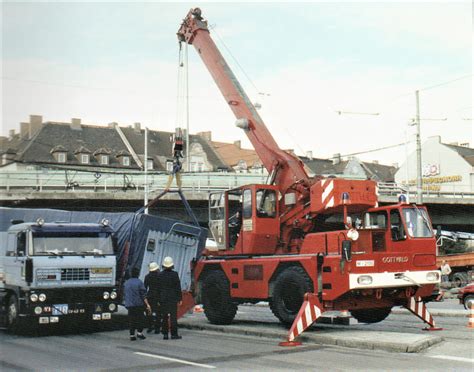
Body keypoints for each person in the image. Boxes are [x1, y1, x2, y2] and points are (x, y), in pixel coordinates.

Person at [158, 256, 183, 340]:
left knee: (164, 316)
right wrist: (180, 298)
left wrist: (158, 299)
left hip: (163, 298)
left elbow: (158, 288)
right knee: (173, 317)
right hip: (172, 298)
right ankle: (174, 334)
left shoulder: (160, 275)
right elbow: (178, 287)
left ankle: (165, 334)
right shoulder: (175, 274)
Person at [123, 267, 151, 341]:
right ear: (138, 274)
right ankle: (139, 333)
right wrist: (147, 304)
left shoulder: (126, 283)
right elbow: (143, 295)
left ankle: (132, 335)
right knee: (140, 319)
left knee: (131, 320)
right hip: (138, 304)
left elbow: (125, 293)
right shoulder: (139, 282)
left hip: (129, 305)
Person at [144, 261, 161, 334]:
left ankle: (149, 327)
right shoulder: (160, 276)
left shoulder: (147, 276)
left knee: (149, 312)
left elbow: (145, 287)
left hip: (150, 296)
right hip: (158, 296)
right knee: (158, 313)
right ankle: (157, 329)